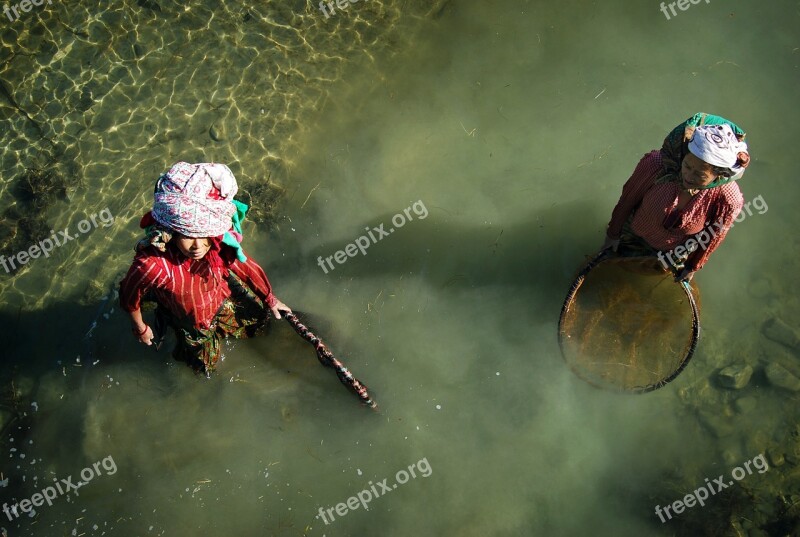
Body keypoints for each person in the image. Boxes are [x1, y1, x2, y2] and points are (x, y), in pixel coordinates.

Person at [119, 161, 291, 376]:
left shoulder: (220, 242)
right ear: (172, 231)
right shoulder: (153, 265)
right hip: (192, 323)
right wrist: (141, 328)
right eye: (187, 236)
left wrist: (270, 299)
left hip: (219, 301)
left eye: (204, 234)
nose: (198, 246)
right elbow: (128, 296)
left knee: (260, 325)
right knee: (204, 369)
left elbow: (245, 265)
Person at [603, 113, 751, 281]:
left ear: (717, 176)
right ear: (683, 156)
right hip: (633, 233)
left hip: (674, 251)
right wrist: (612, 234)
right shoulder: (657, 165)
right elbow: (627, 200)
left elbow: (714, 235)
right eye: (687, 166)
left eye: (700, 175)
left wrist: (692, 266)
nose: (688, 176)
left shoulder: (728, 198)